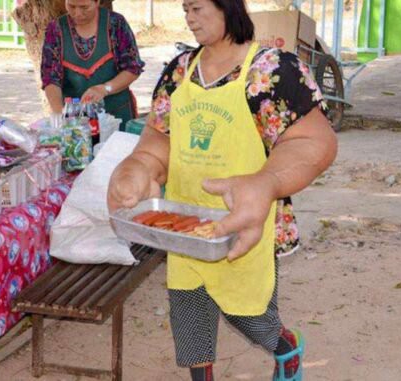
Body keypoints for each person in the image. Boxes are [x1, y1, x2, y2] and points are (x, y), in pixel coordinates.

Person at [106, 0, 338, 379]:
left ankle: (286, 347)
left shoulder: (273, 70)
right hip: (184, 226)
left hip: (247, 225)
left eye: (197, 8)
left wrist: (267, 182)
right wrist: (138, 167)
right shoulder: (179, 72)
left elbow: (315, 141)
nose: (189, 18)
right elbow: (156, 141)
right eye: (185, 10)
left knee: (251, 316)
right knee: (190, 324)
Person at [41, 0, 144, 131]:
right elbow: (50, 77)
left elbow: (132, 68)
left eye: (84, 7)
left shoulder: (115, 24)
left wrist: (105, 89)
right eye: (71, 6)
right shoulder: (56, 29)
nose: (77, 13)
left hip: (117, 115)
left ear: (97, 2)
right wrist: (58, 114)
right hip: (74, 120)